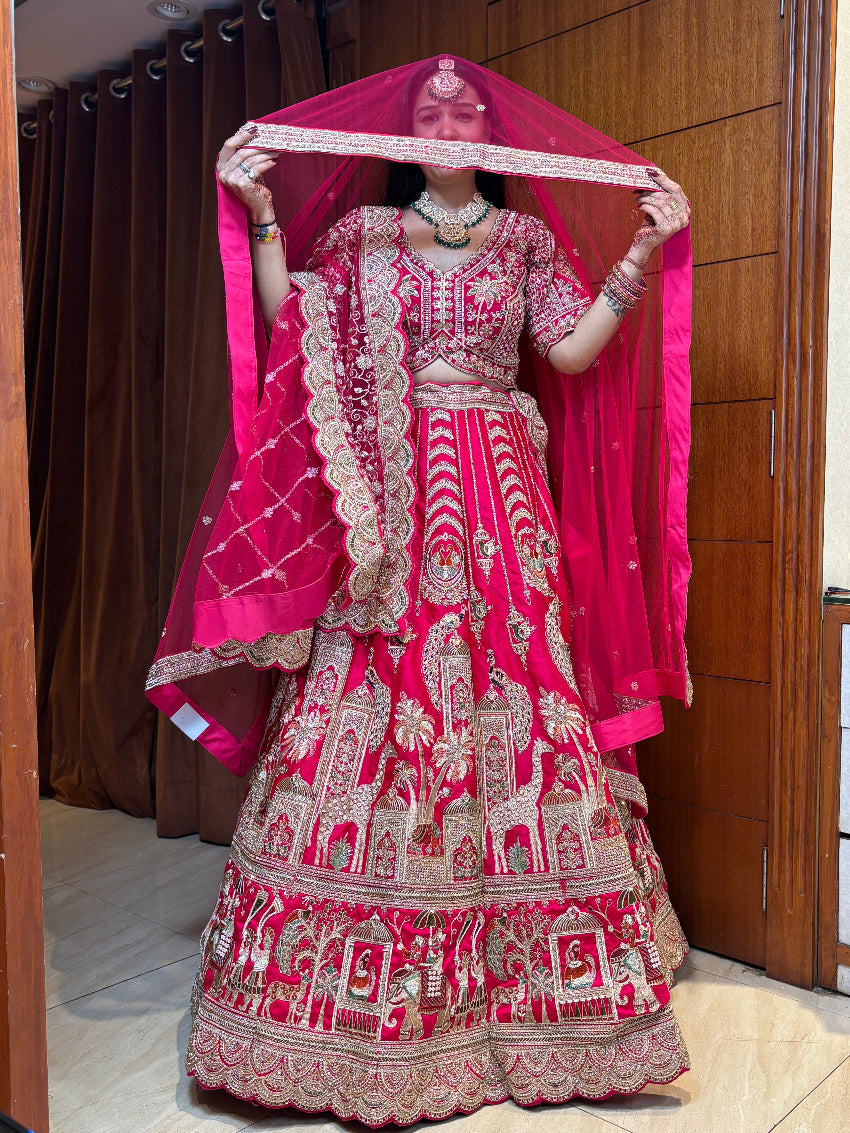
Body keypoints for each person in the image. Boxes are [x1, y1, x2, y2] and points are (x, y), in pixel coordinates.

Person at [148, 57, 692, 1124]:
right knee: (370, 685)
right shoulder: (361, 240)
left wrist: (642, 247)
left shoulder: (527, 240)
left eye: (467, 110)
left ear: (492, 132)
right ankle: (340, 983)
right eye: (429, 112)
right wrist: (262, 213)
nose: (447, 123)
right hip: (383, 493)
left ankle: (546, 983)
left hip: (497, 484)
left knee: (519, 691)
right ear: (405, 137)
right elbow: (295, 328)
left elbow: (569, 354)